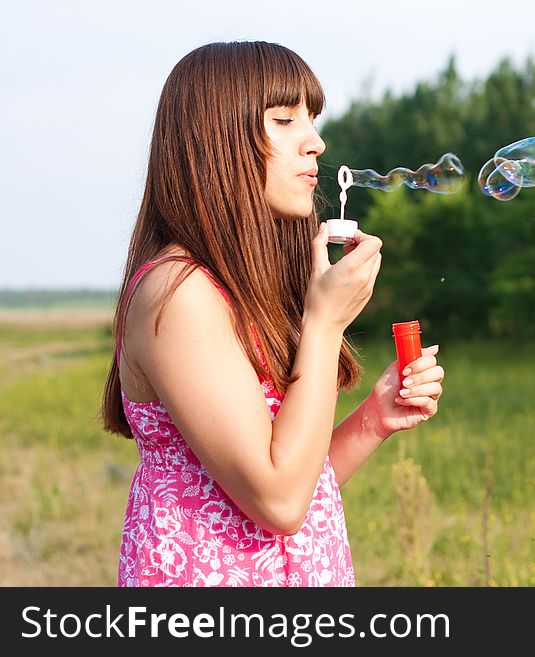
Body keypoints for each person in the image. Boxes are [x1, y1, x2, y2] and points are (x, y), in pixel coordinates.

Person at [100, 41, 444, 587]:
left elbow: (299, 484)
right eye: (285, 120)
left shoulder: (242, 290)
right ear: (215, 145)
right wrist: (326, 323)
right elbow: (278, 500)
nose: (316, 142)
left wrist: (374, 419)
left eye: (312, 119)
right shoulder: (179, 292)